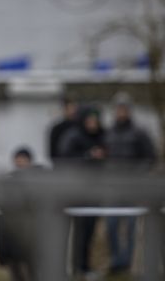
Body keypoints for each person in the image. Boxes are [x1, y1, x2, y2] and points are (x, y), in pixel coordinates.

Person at [103, 92, 157, 275]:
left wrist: (136, 173)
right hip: (112, 186)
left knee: (132, 226)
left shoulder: (140, 132)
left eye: (124, 109)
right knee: (111, 225)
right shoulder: (108, 132)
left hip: (133, 187)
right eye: (118, 109)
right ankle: (118, 259)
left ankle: (127, 262)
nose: (121, 112)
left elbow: (151, 157)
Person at [58, 106, 106, 278]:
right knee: (73, 234)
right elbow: (65, 161)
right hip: (74, 193)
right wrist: (88, 156)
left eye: (95, 120)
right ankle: (69, 268)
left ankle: (83, 267)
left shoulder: (103, 137)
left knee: (89, 233)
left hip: (95, 193)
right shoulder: (72, 136)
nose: (93, 124)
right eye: (90, 120)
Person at [0, 147, 42, 281]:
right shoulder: (8, 181)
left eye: (23, 160)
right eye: (18, 159)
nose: (20, 163)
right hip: (12, 238)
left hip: (30, 238)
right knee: (16, 272)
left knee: (32, 271)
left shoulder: (38, 181)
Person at [48, 96, 80, 165]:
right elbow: (52, 153)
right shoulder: (56, 129)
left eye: (74, 108)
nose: (72, 111)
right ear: (64, 109)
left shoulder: (81, 127)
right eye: (69, 108)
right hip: (62, 166)